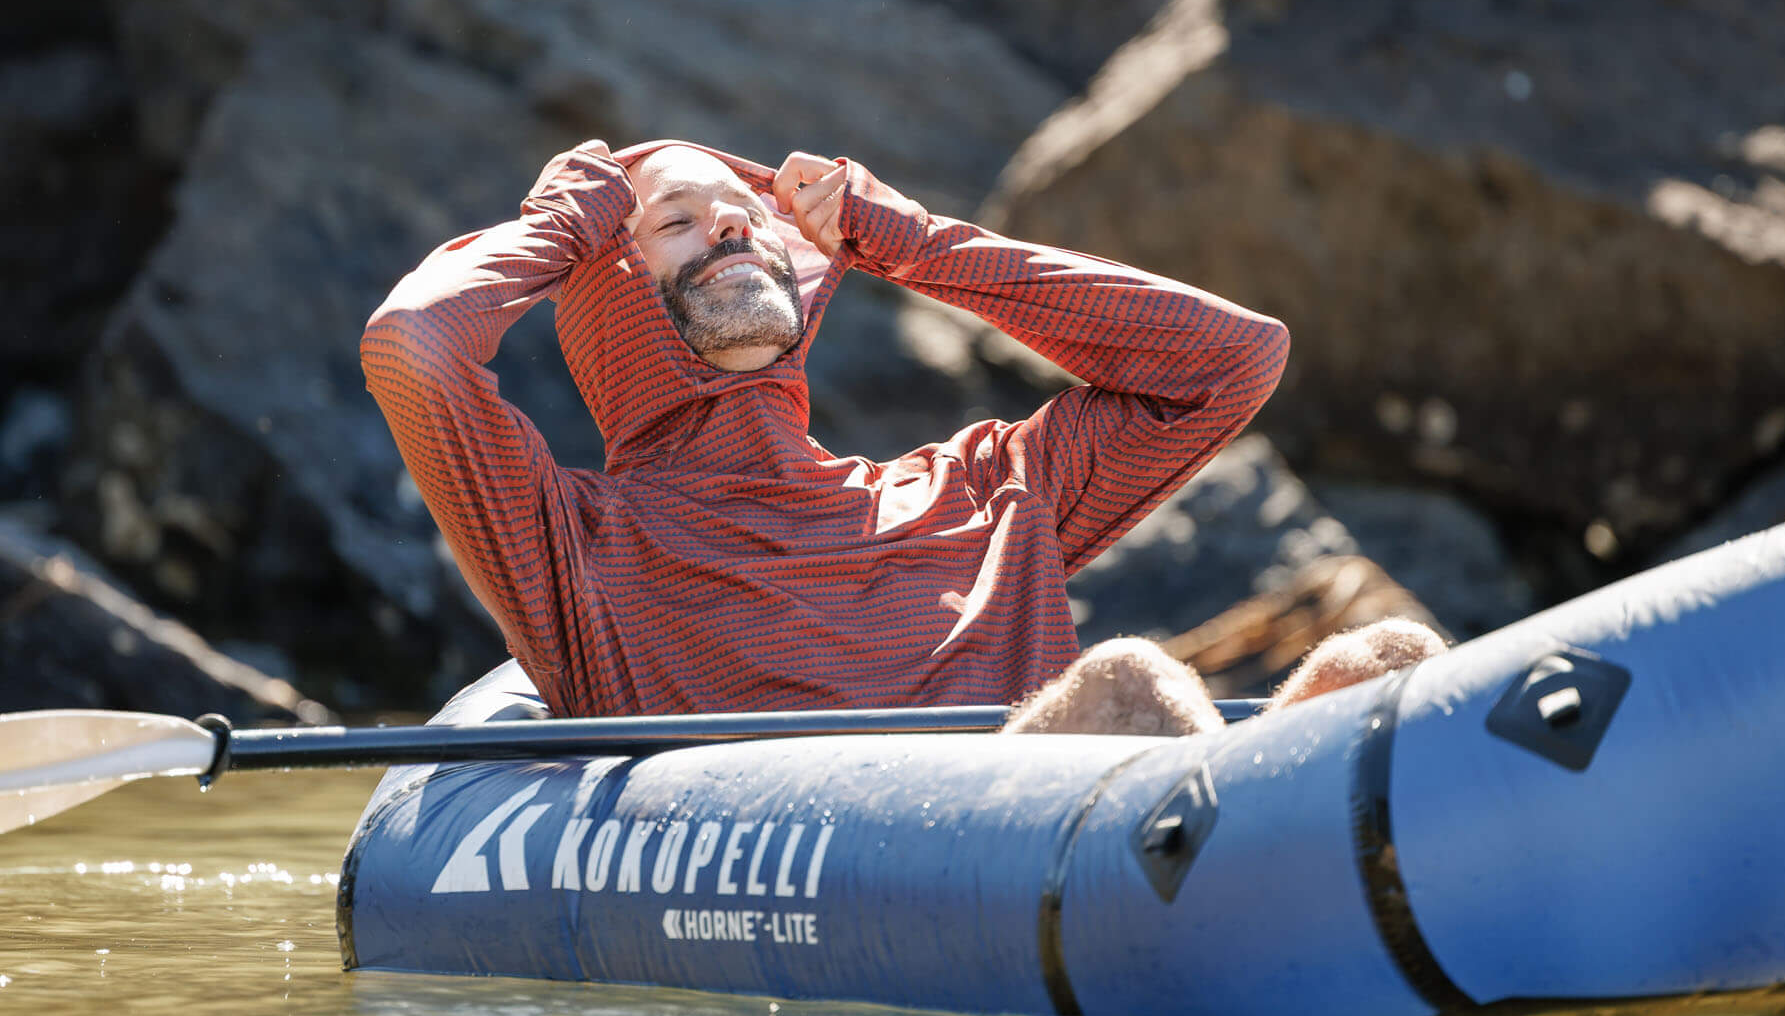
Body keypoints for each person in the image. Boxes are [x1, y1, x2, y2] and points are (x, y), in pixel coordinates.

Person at [362, 139, 1443, 735]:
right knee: (1124, 686)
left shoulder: (983, 490)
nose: (732, 221)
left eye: (746, 215)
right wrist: (562, 221)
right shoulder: (567, 543)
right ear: (600, 289)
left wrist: (910, 241)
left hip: (1094, 847)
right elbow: (414, 345)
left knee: (1390, 659)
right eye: (676, 221)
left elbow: (1233, 359)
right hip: (910, 888)